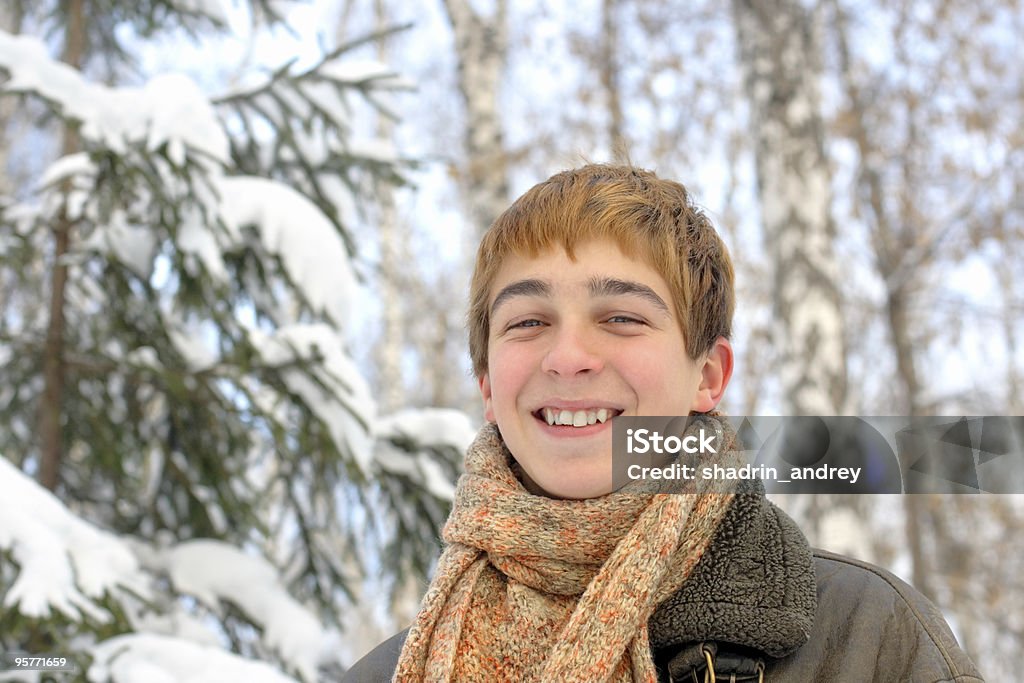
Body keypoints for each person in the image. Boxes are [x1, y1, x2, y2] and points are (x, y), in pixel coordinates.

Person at [344, 164, 983, 682]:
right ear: (488, 385)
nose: (567, 359)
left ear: (708, 375)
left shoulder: (868, 639)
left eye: (621, 317)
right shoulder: (390, 673)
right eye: (528, 322)